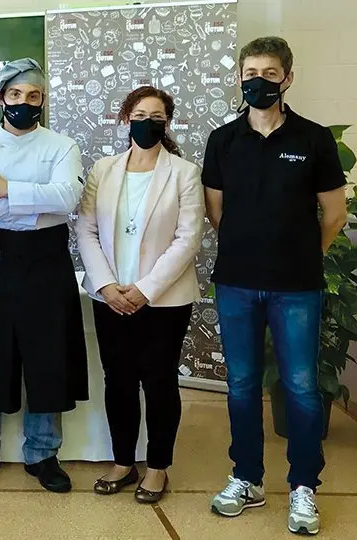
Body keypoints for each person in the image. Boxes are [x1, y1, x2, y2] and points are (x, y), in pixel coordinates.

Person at [203, 37, 346, 536]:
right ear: (240, 77)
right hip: (237, 285)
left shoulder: (313, 140)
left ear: (287, 77)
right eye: (249, 72)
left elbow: (334, 212)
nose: (257, 80)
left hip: (296, 287)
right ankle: (247, 477)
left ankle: (304, 484)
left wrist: (303, 255)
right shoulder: (222, 140)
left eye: (268, 72)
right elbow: (215, 211)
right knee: (241, 386)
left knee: (302, 387)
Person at [0, 58, 88, 492]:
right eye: (16, 95)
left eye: (33, 96)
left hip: (47, 257)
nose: (25, 103)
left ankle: (43, 454)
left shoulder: (63, 146)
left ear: (43, 100)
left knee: (47, 350)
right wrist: (36, 200)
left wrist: (6, 188)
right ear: (0, 99)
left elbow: (68, 199)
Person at [76, 86, 204, 504]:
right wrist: (106, 285)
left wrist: (145, 290)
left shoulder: (184, 172)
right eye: (139, 114)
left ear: (166, 123)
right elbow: (87, 230)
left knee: (160, 380)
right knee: (119, 380)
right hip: (109, 296)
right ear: (124, 118)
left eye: (156, 116)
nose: (147, 122)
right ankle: (122, 461)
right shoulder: (103, 170)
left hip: (164, 300)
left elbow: (188, 239)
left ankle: (158, 467)